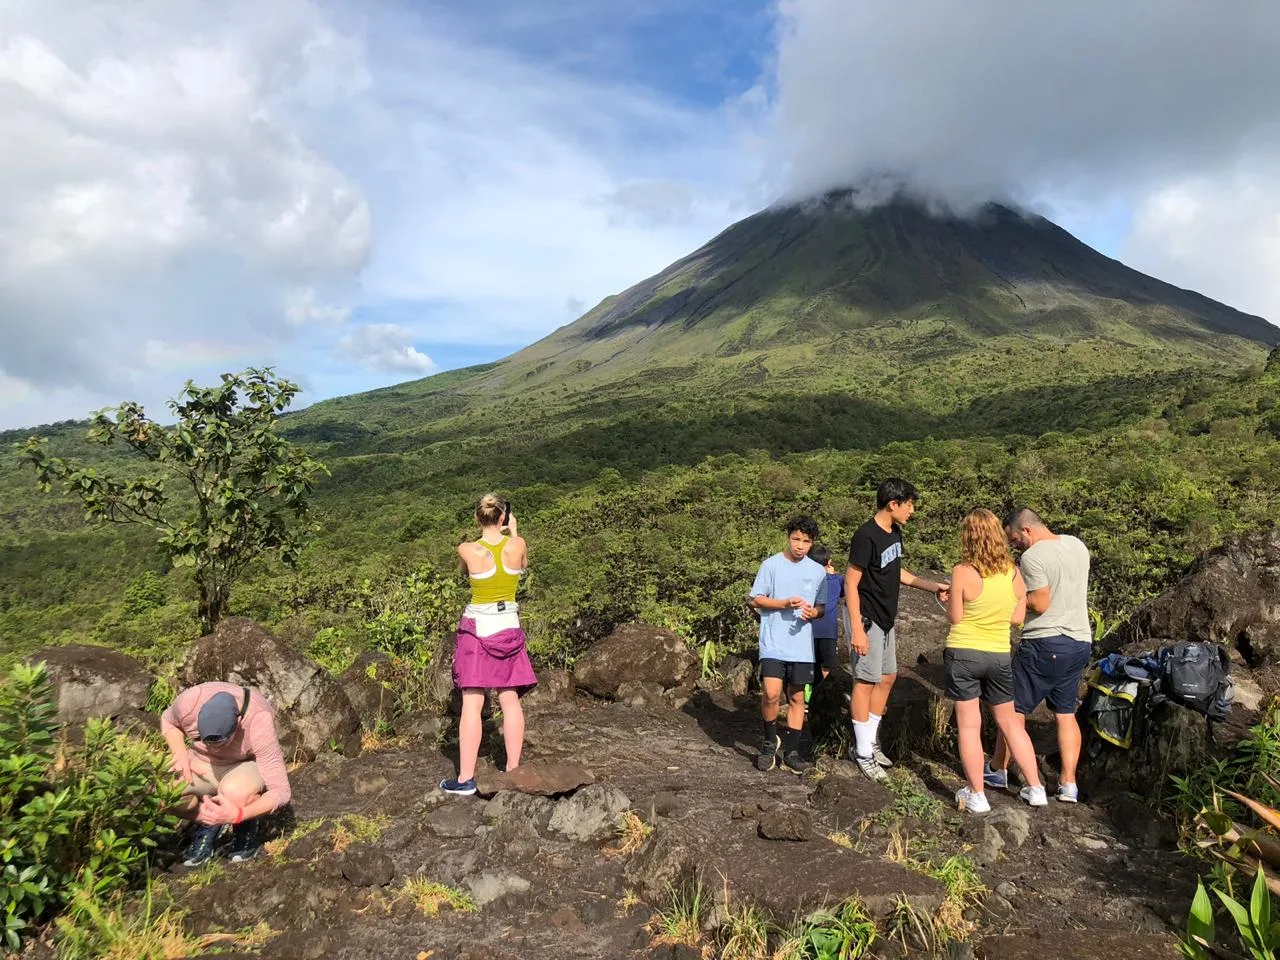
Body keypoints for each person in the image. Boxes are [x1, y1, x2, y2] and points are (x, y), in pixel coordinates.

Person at [845, 478, 949, 782]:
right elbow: (851, 582)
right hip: (868, 618)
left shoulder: (894, 533)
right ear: (893, 504)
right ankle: (862, 751)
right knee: (864, 681)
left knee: (888, 677)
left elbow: (897, 572)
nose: (912, 510)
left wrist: (932, 587)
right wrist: (856, 629)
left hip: (887, 619)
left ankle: (870, 740)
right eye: (909, 504)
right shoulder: (866, 536)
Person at [944, 509, 1048, 813]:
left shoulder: (963, 571)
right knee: (1010, 723)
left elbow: (956, 617)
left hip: (964, 651)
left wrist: (949, 602)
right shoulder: (1013, 572)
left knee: (969, 726)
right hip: (999, 654)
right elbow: (1018, 617)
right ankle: (1036, 787)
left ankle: (977, 794)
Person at [987, 508, 1092, 803]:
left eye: (1014, 538)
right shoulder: (1076, 545)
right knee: (1066, 713)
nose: (1014, 545)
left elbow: (1040, 602)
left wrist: (1009, 601)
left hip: (1045, 642)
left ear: (1027, 531)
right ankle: (1068, 784)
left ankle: (998, 769)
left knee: (1013, 709)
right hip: (1079, 642)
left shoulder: (1033, 557)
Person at [440, 494, 537, 797]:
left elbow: (466, 574)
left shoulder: (466, 549)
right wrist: (515, 533)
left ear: (476, 518)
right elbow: (521, 565)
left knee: (472, 701)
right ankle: (513, 769)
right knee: (510, 699)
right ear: (503, 518)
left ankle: (466, 778)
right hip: (508, 625)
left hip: (478, 628)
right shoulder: (518, 545)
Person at [161, 681, 292, 867]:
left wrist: (239, 814)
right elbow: (168, 720)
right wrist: (180, 752)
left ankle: (245, 828)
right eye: (201, 739)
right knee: (163, 795)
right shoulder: (190, 701)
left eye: (218, 742)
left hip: (241, 766)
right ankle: (208, 821)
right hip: (202, 763)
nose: (211, 746)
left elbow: (281, 791)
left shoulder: (258, 720)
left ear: (237, 724)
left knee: (234, 792)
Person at [748, 516, 827, 774]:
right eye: (796, 539)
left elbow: (821, 608)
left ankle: (791, 750)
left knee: (796, 696)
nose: (800, 546)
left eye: (805, 541)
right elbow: (756, 599)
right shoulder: (771, 565)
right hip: (772, 641)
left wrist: (812, 614)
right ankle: (770, 741)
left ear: (812, 543)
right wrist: (783, 603)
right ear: (788, 537)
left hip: (801, 646)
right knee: (771, 693)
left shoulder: (817, 571)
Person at [808, 544, 843, 683]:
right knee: (828, 667)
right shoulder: (836, 580)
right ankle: (827, 696)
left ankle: (809, 697)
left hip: (808, 630)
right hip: (828, 632)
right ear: (829, 563)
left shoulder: (806, 580)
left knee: (811, 665)